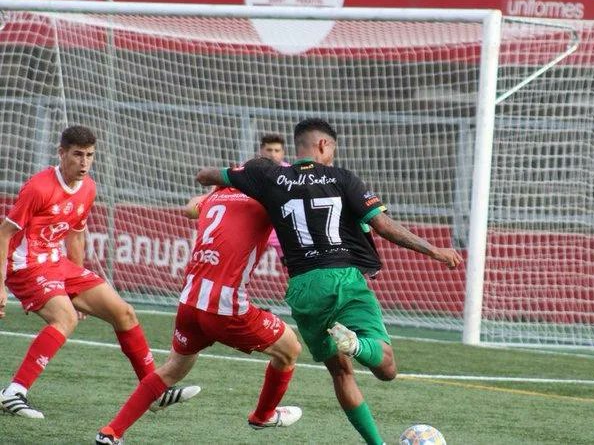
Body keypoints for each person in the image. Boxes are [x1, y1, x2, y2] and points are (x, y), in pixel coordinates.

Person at [196, 118, 463, 445]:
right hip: (342, 279)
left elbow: (206, 175)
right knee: (387, 367)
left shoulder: (267, 176)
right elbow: (383, 226)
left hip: (302, 289)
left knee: (340, 372)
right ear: (323, 145)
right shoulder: (342, 178)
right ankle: (357, 345)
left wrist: (233, 177)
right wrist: (434, 250)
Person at [0, 126, 199, 419]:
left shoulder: (88, 188)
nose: (84, 162)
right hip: (25, 265)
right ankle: (14, 392)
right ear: (61, 153)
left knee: (124, 312)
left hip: (57, 263)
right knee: (65, 318)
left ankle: (154, 391)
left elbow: (76, 236)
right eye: (77, 154)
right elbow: (4, 233)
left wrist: (76, 285)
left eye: (90, 155)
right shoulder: (39, 187)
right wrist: (1, 285)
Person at [95, 181, 303, 444]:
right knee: (290, 349)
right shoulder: (265, 197)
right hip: (226, 308)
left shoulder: (219, 194)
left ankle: (111, 432)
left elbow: (190, 208)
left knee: (173, 368)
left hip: (190, 302)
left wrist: (215, 192)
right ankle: (263, 416)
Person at [258, 133, 288, 263]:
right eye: (269, 150)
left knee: (289, 267)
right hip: (256, 232)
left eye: (277, 150)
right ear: (261, 150)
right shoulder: (248, 170)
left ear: (283, 153)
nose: (273, 154)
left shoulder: (290, 173)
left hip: (281, 234)